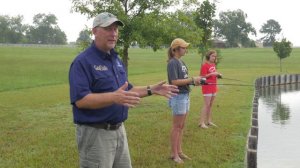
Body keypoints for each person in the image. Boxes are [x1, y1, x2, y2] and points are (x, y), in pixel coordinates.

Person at [69, 12, 179, 168]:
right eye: (108, 29)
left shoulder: (115, 59)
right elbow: (80, 100)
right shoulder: (82, 62)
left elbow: (127, 90)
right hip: (95, 134)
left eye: (115, 29)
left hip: (119, 131)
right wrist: (113, 98)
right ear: (94, 31)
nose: (113, 33)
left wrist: (151, 89)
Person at [167, 38, 203, 164]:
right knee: (177, 127)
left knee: (181, 126)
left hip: (185, 95)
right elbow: (174, 82)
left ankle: (180, 151)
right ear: (175, 49)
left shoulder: (181, 62)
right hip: (178, 97)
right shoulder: (173, 63)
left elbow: (185, 80)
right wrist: (191, 79)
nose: (185, 49)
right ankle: (174, 154)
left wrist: (194, 82)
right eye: (183, 47)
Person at [199, 50, 222, 129]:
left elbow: (213, 74)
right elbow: (202, 77)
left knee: (210, 105)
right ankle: (201, 123)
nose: (214, 57)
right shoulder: (204, 65)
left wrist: (218, 75)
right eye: (213, 56)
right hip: (207, 87)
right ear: (208, 56)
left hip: (213, 87)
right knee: (206, 104)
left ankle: (209, 121)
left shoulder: (213, 64)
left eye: (215, 56)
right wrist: (212, 74)